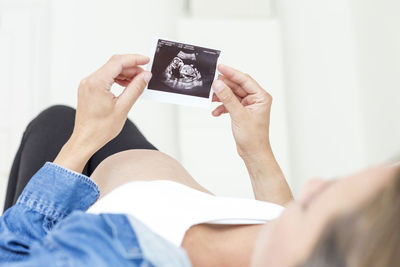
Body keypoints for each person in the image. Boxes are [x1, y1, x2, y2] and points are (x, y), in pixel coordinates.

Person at [0, 54, 398, 267]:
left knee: (54, 123)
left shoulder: (102, 255)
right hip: (135, 172)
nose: (311, 186)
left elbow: (13, 254)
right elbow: (281, 224)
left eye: (314, 207)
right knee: (58, 119)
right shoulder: (286, 245)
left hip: (78, 205)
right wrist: (256, 150)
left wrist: (83, 141)